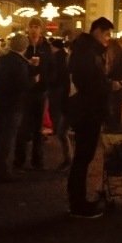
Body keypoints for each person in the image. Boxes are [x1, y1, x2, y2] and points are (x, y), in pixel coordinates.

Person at [66, 17, 115, 218]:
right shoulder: (87, 52)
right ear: (97, 31)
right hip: (88, 112)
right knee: (82, 157)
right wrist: (108, 86)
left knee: (84, 157)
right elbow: (88, 82)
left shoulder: (88, 50)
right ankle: (78, 204)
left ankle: (78, 200)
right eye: (107, 34)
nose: (108, 39)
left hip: (89, 110)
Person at [0, 33, 31, 182]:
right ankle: (3, 170)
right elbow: (22, 85)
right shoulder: (19, 63)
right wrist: (32, 80)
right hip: (13, 105)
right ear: (24, 47)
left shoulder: (3, 60)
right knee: (8, 137)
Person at [14, 17, 51, 170]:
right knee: (22, 128)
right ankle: (19, 160)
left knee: (38, 128)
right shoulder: (24, 46)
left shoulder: (45, 47)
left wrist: (43, 76)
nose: (34, 30)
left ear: (41, 29)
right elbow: (17, 63)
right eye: (32, 26)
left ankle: (37, 160)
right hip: (25, 92)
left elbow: (51, 67)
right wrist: (29, 70)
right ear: (28, 29)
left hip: (40, 92)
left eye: (37, 27)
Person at [46, 37, 72, 171]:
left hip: (64, 97)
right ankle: (68, 159)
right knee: (63, 131)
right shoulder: (66, 57)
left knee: (62, 130)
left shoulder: (58, 59)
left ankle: (69, 160)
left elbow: (56, 78)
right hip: (68, 98)